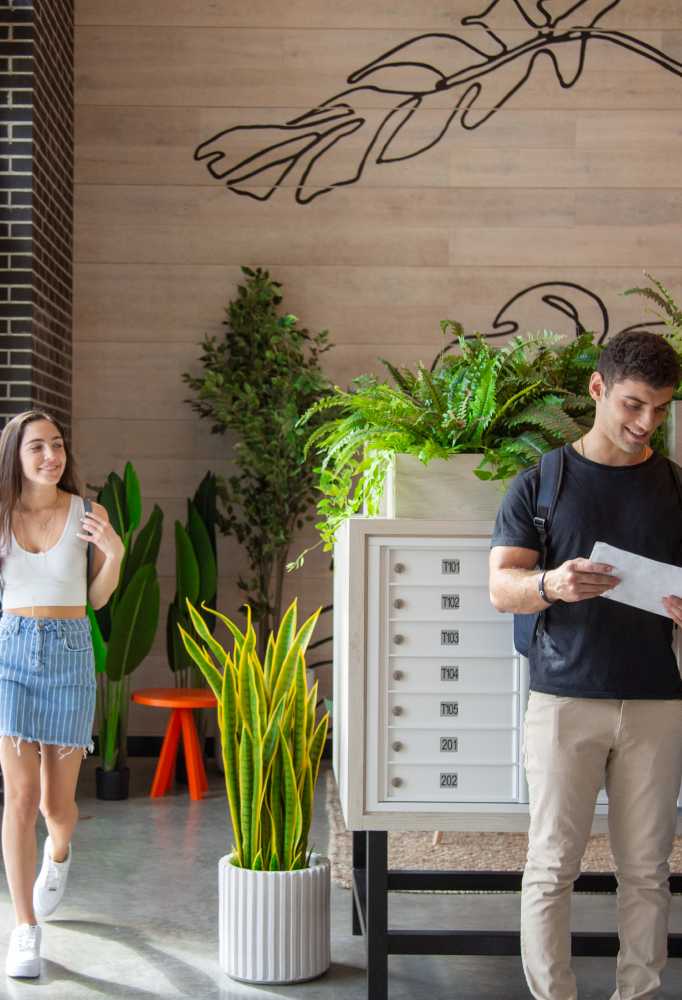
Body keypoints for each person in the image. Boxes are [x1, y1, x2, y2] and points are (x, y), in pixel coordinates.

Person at [489, 331, 682, 1000]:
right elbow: (501, 587)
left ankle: (639, 995)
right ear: (598, 390)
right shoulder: (541, 483)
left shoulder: (676, 487)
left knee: (648, 872)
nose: (645, 423)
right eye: (633, 404)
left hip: (657, 701)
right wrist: (552, 584)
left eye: (660, 408)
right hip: (563, 698)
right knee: (550, 867)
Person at [0, 410, 124, 979]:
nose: (52, 456)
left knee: (56, 807)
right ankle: (24, 927)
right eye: (38, 448)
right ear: (16, 458)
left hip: (71, 653)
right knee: (19, 799)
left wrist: (114, 554)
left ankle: (58, 854)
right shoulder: (1, 516)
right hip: (11, 655)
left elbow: (95, 600)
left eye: (57, 446)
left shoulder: (87, 513)